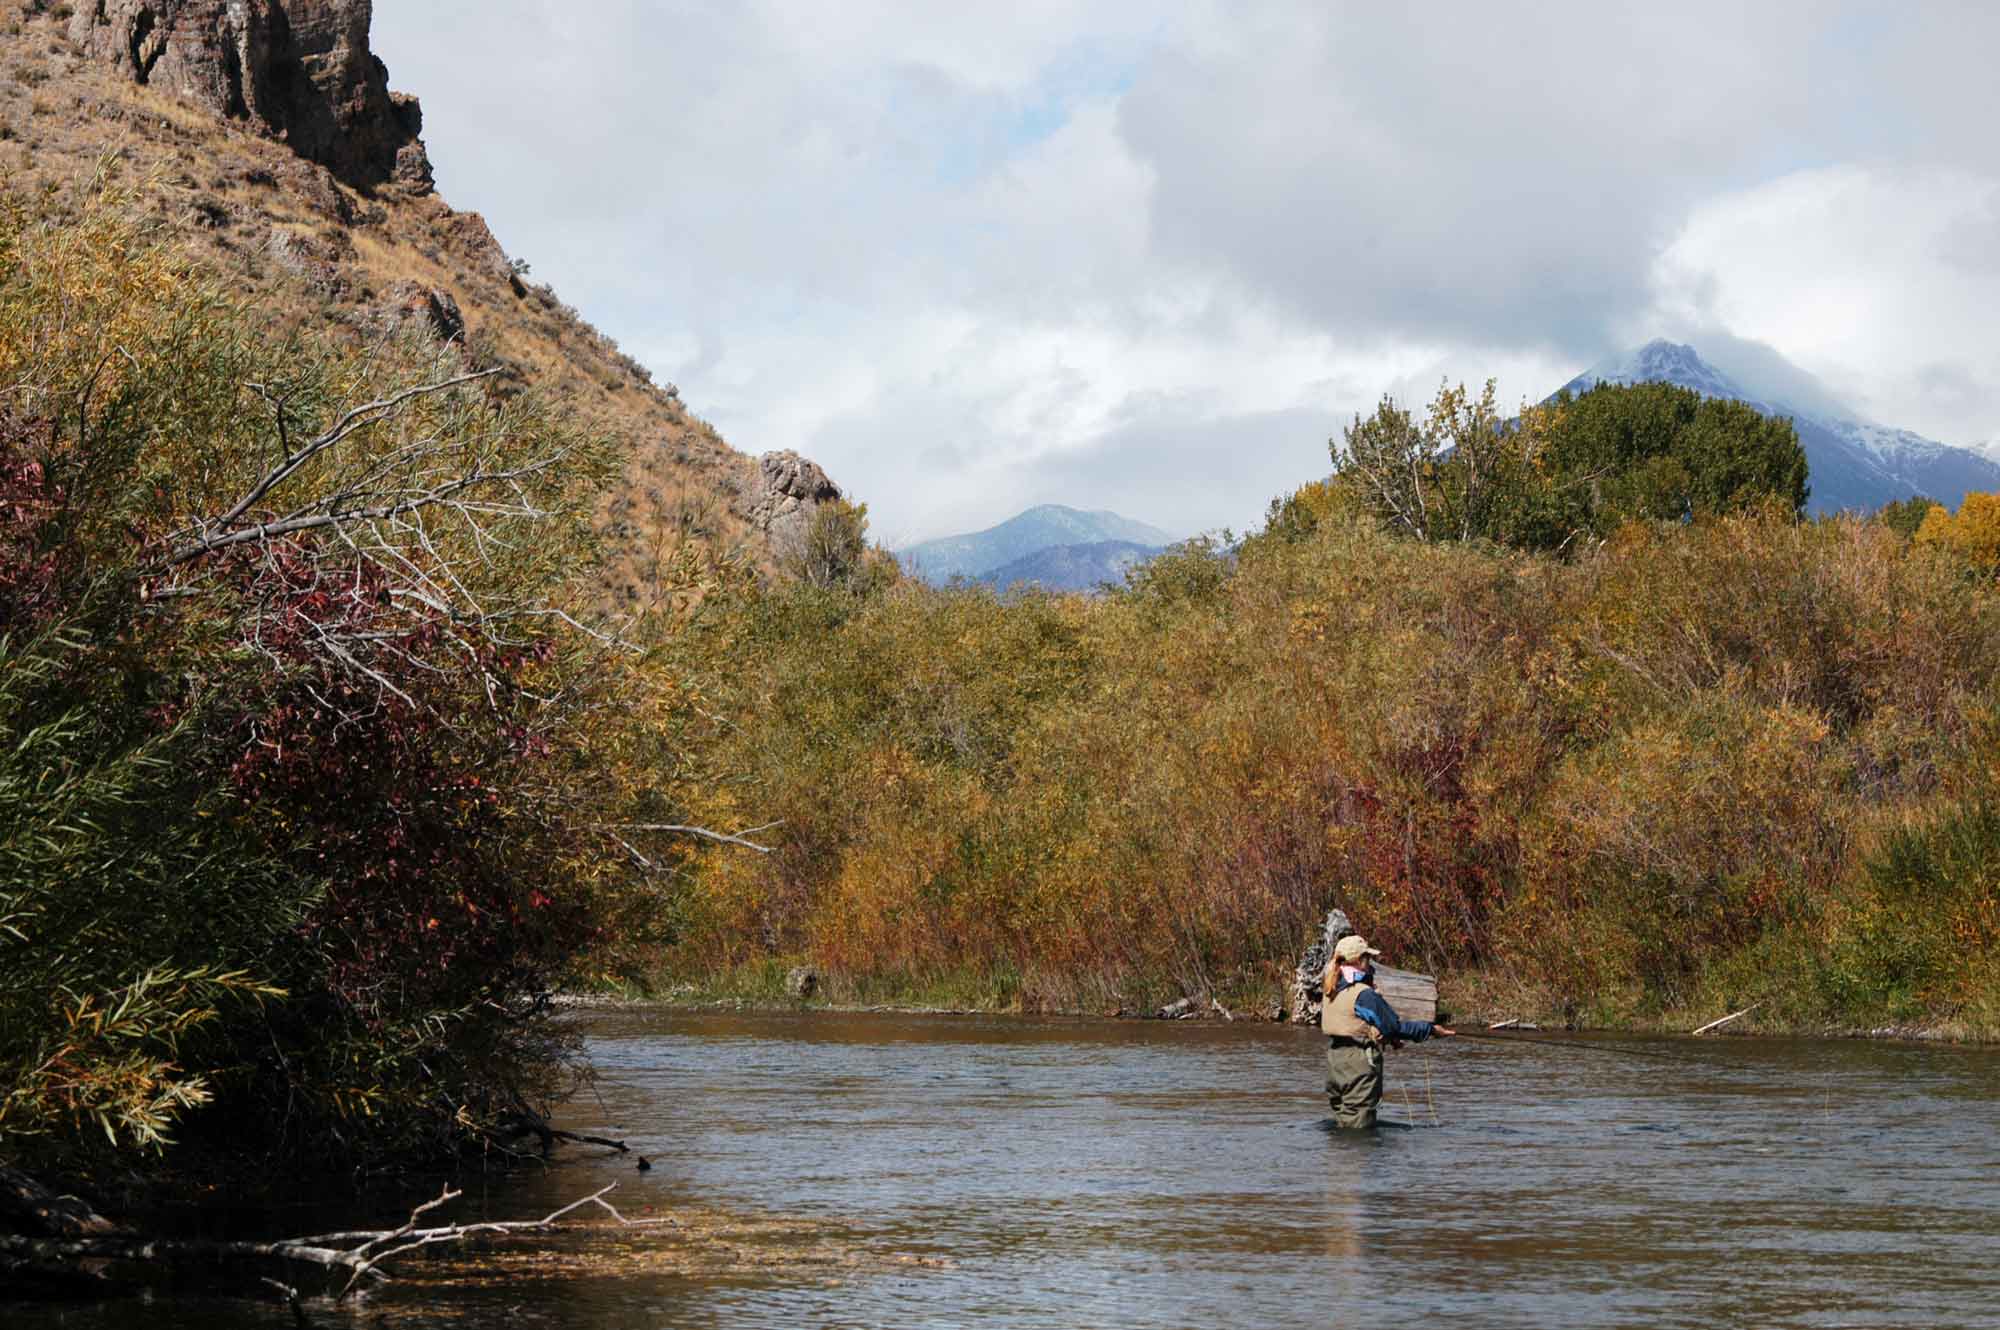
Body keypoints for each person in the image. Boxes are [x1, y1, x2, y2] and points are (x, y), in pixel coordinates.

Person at [1320, 934, 1454, 1128]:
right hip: (1358, 1063)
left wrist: (1386, 1037)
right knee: (1359, 1127)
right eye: (1368, 958)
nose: (1371, 963)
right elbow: (1394, 1027)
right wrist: (1431, 1029)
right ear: (1359, 961)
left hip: (1335, 1062)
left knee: (1344, 1121)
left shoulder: (1330, 989)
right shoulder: (1363, 994)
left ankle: (1340, 1159)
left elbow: (1353, 1023)